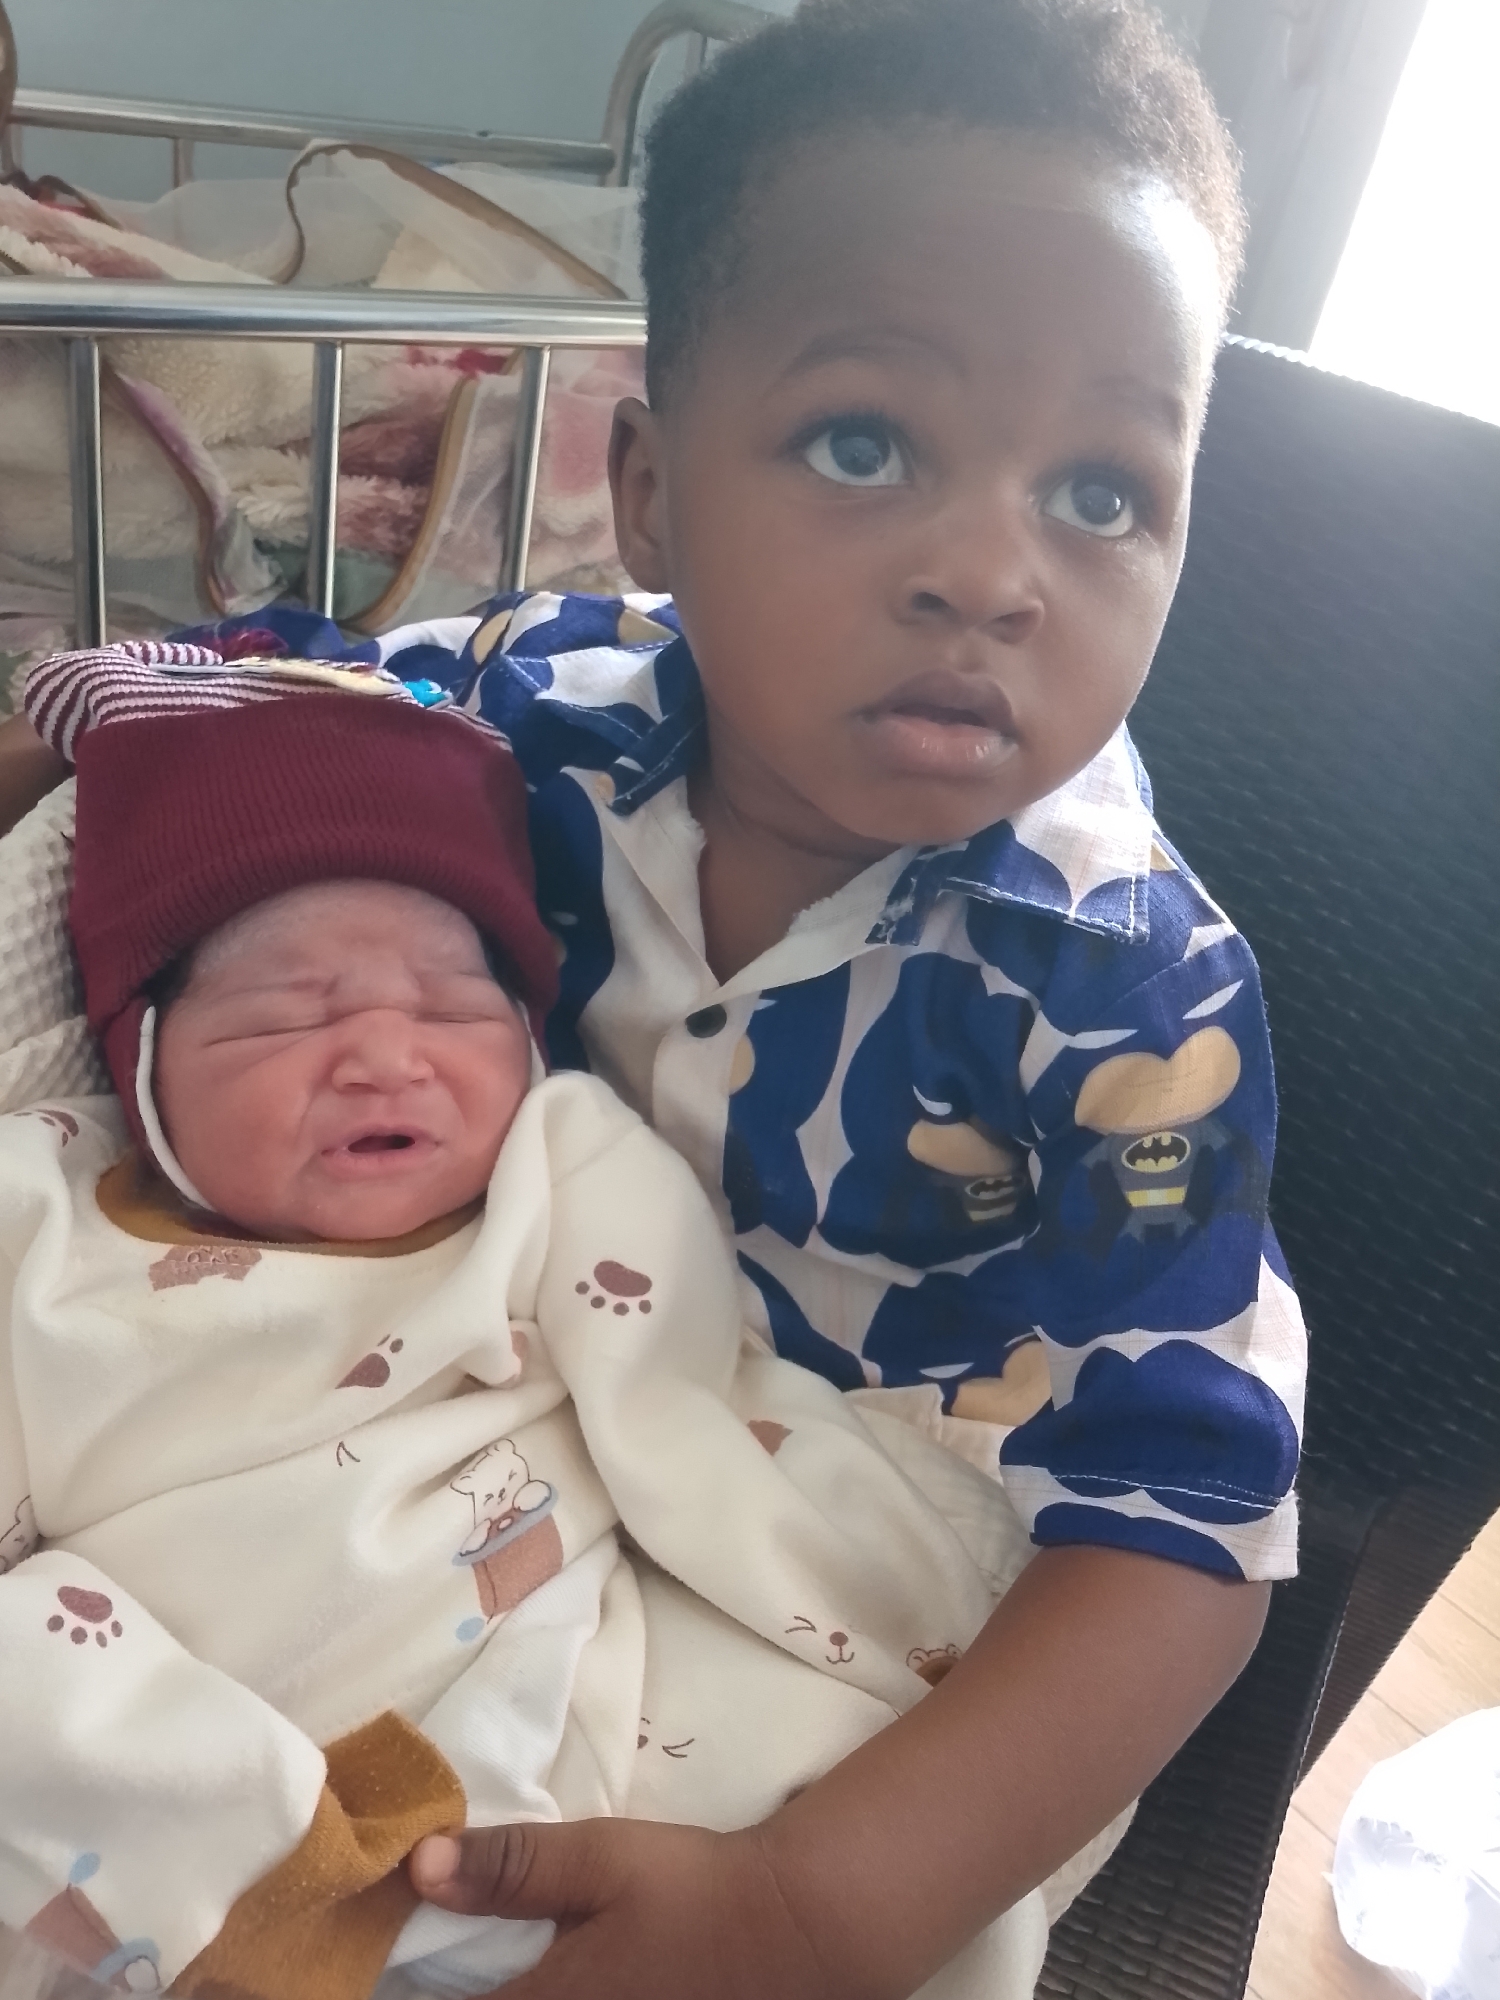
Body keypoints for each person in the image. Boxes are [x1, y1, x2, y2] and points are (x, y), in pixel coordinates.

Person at [0, 4, 1309, 1995]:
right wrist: (61, 725)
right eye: (865, 445)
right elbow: (263, 690)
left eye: (1105, 493)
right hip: (483, 1420)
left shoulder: (1131, 989)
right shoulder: (541, 696)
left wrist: (810, 1910)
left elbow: (1189, 1525)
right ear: (651, 490)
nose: (992, 572)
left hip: (882, 1615)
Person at [0, 644, 1048, 2000]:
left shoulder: (558, 1160)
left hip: (554, 1710)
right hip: (194, 1801)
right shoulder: (42, 1212)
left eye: (454, 1004)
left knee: (860, 1825)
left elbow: (680, 1403)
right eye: (276, 1021)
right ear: (140, 1066)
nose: (386, 1055)